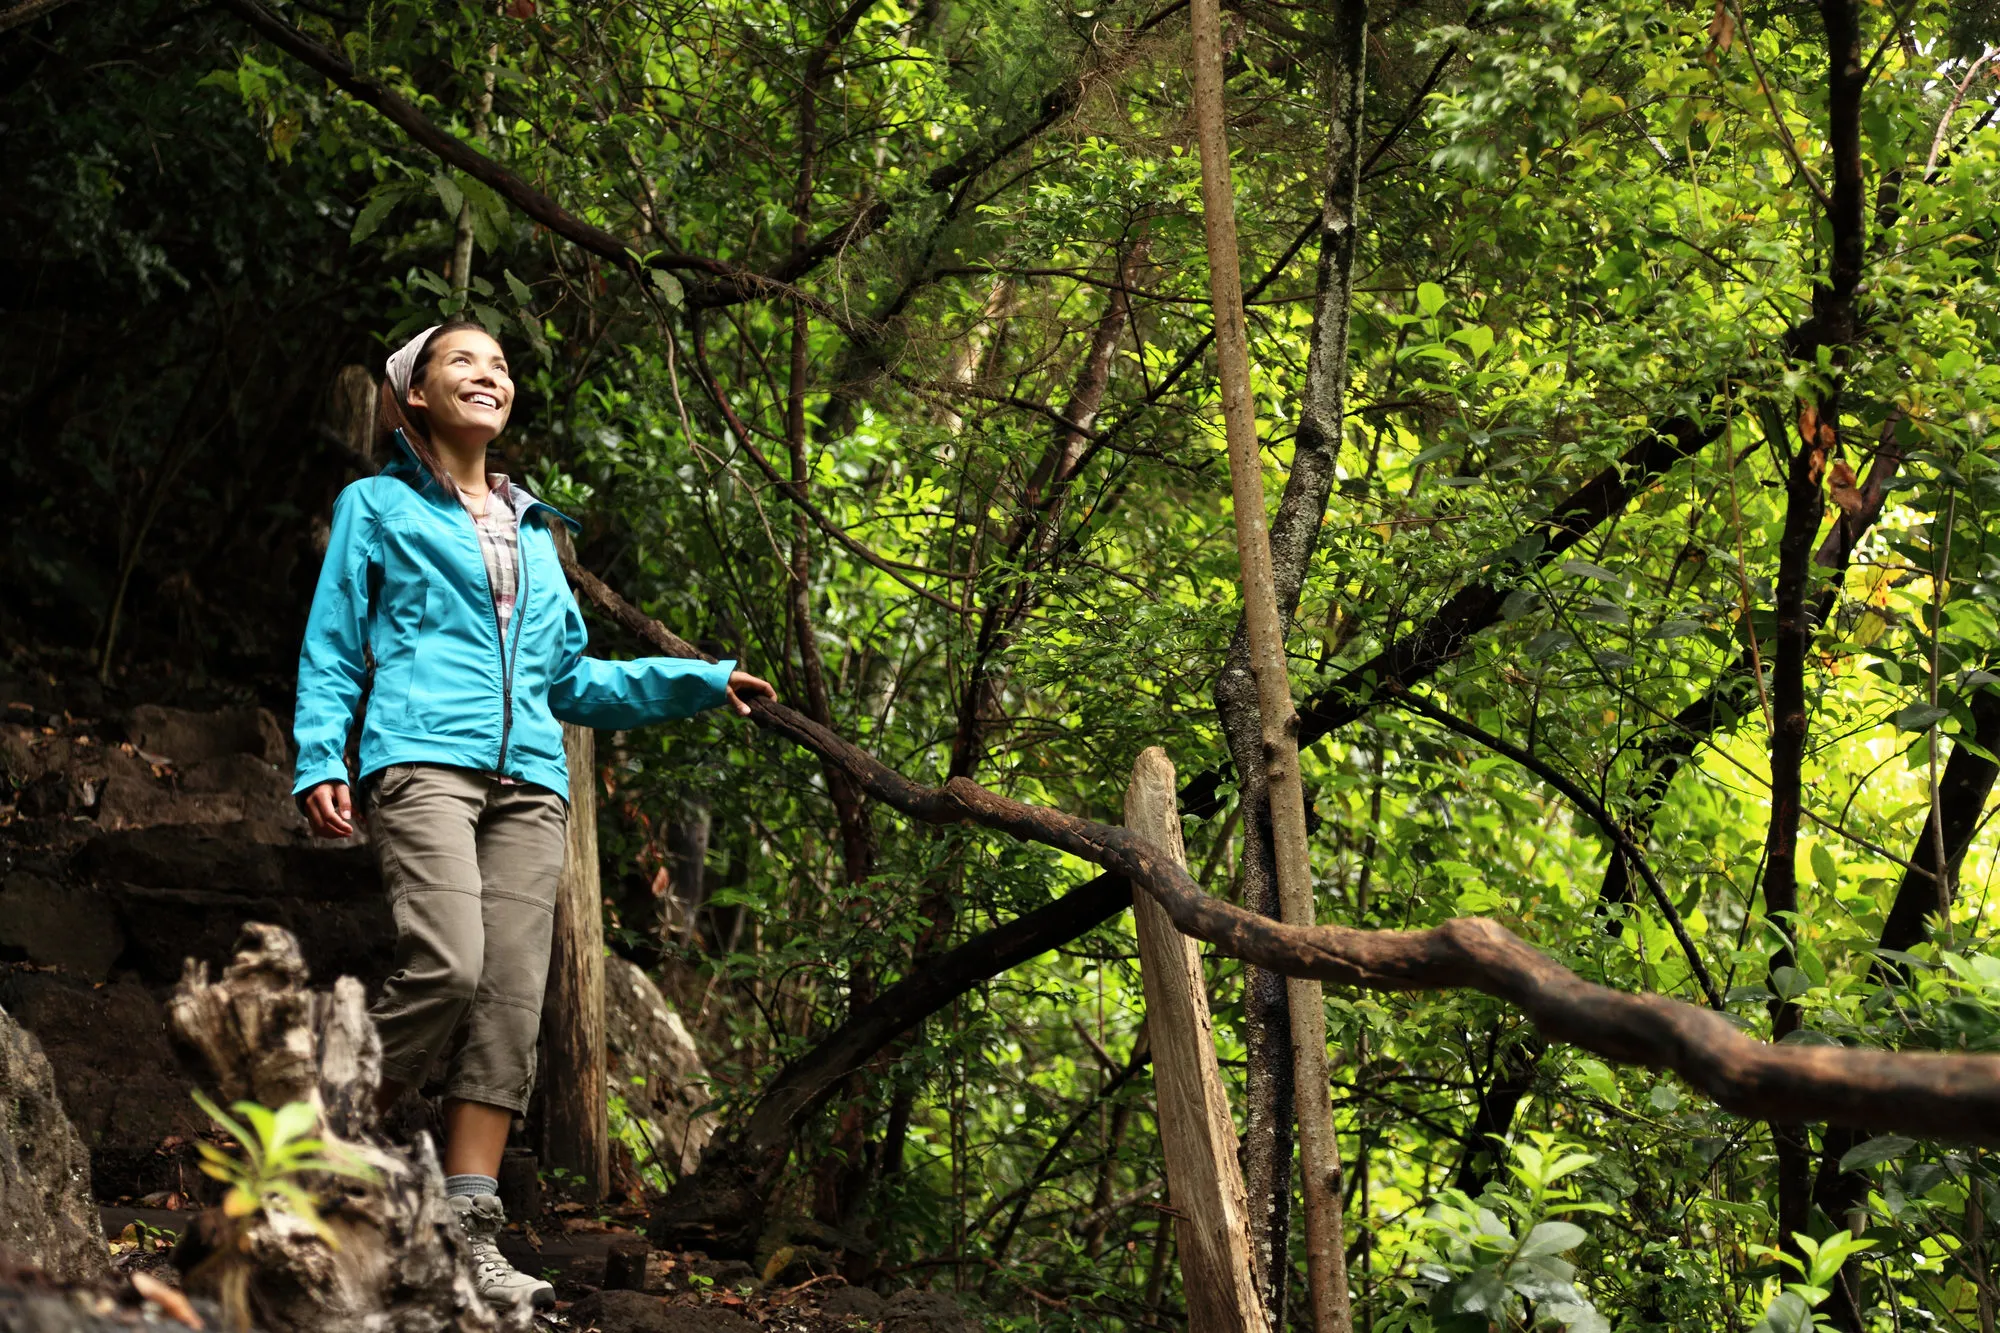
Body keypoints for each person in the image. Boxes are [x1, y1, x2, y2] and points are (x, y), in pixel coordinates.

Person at [291, 318, 774, 1309]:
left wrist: (697, 680)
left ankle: (469, 1229)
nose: (488, 374)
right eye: (462, 361)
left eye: (501, 365)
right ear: (413, 397)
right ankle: (320, 1148)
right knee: (448, 960)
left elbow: (570, 680)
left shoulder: (539, 532)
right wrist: (316, 754)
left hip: (530, 782)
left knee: (509, 1004)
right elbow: (333, 641)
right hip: (421, 754)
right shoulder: (374, 506)